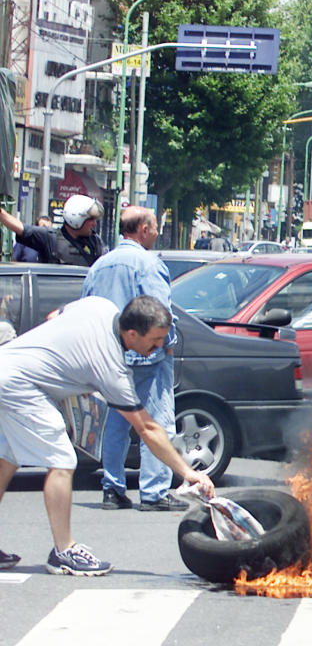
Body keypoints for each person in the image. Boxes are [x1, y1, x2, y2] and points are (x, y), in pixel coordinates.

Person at [0, 295, 214, 575]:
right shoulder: (112, 367)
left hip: (8, 366)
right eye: (156, 339)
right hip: (18, 385)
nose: (159, 346)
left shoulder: (100, 306)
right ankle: (64, 551)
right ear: (132, 334)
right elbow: (147, 428)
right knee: (62, 460)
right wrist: (188, 472)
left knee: (8, 457)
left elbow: (55, 315)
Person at [81, 206, 184, 512]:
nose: (156, 233)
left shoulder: (99, 265)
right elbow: (160, 312)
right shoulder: (147, 263)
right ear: (142, 230)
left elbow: (87, 307)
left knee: (116, 422)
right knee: (156, 421)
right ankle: (153, 492)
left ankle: (112, 488)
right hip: (147, 355)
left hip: (110, 356)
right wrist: (165, 345)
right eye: (154, 228)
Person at [0, 195, 104, 265]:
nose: (94, 224)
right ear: (76, 218)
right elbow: (20, 227)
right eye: (90, 219)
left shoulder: (95, 243)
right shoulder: (51, 238)